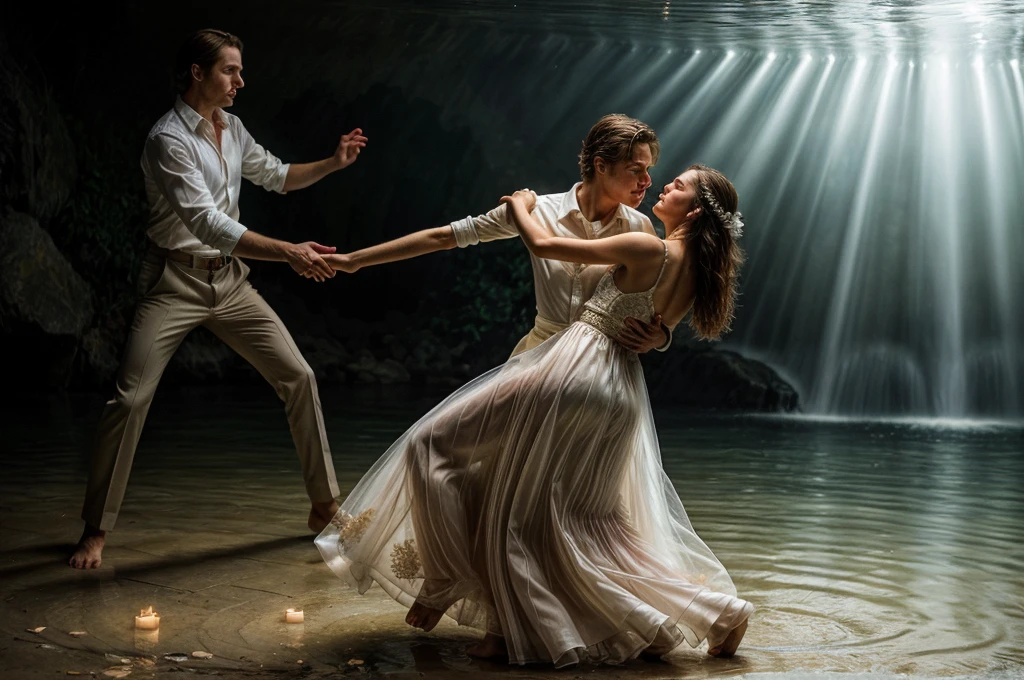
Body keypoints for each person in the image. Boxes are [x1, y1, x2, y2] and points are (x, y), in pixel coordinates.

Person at [315, 164, 753, 666]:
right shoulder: (697, 268)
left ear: (694, 210)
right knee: (582, 524)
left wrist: (520, 207)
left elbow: (545, 247)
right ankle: (720, 611)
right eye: (646, 171)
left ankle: (446, 580)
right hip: (621, 390)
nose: (657, 184)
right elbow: (654, 323)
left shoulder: (647, 244)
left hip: (574, 372)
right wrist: (662, 336)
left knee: (441, 453)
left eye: (674, 184)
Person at [69, 28, 368, 569]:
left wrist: (331, 163)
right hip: (173, 282)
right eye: (230, 70)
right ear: (197, 73)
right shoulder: (167, 139)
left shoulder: (231, 127)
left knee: (299, 376)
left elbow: (275, 176)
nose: (240, 81)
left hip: (229, 282)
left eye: (239, 70)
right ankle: (96, 528)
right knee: (130, 401)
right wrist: (290, 252)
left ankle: (323, 507)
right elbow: (206, 222)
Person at [324, 114, 673, 355]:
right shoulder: (537, 210)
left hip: (601, 364)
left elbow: (657, 302)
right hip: (538, 356)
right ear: (600, 165)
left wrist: (662, 338)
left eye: (648, 171)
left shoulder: (639, 228)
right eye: (635, 170)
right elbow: (445, 237)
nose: (647, 182)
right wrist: (354, 261)